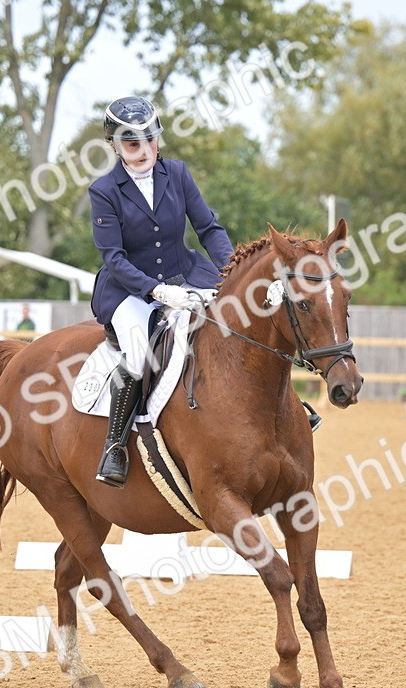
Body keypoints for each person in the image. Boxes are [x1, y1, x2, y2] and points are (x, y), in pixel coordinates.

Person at [88, 96, 234, 488]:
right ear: (115, 146)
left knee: (238, 320)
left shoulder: (178, 174)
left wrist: (233, 270)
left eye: (150, 141)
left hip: (186, 273)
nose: (145, 151)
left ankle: (281, 411)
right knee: (139, 352)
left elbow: (209, 230)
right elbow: (113, 257)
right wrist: (157, 291)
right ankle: (115, 446)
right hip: (129, 290)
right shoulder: (104, 191)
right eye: (133, 144)